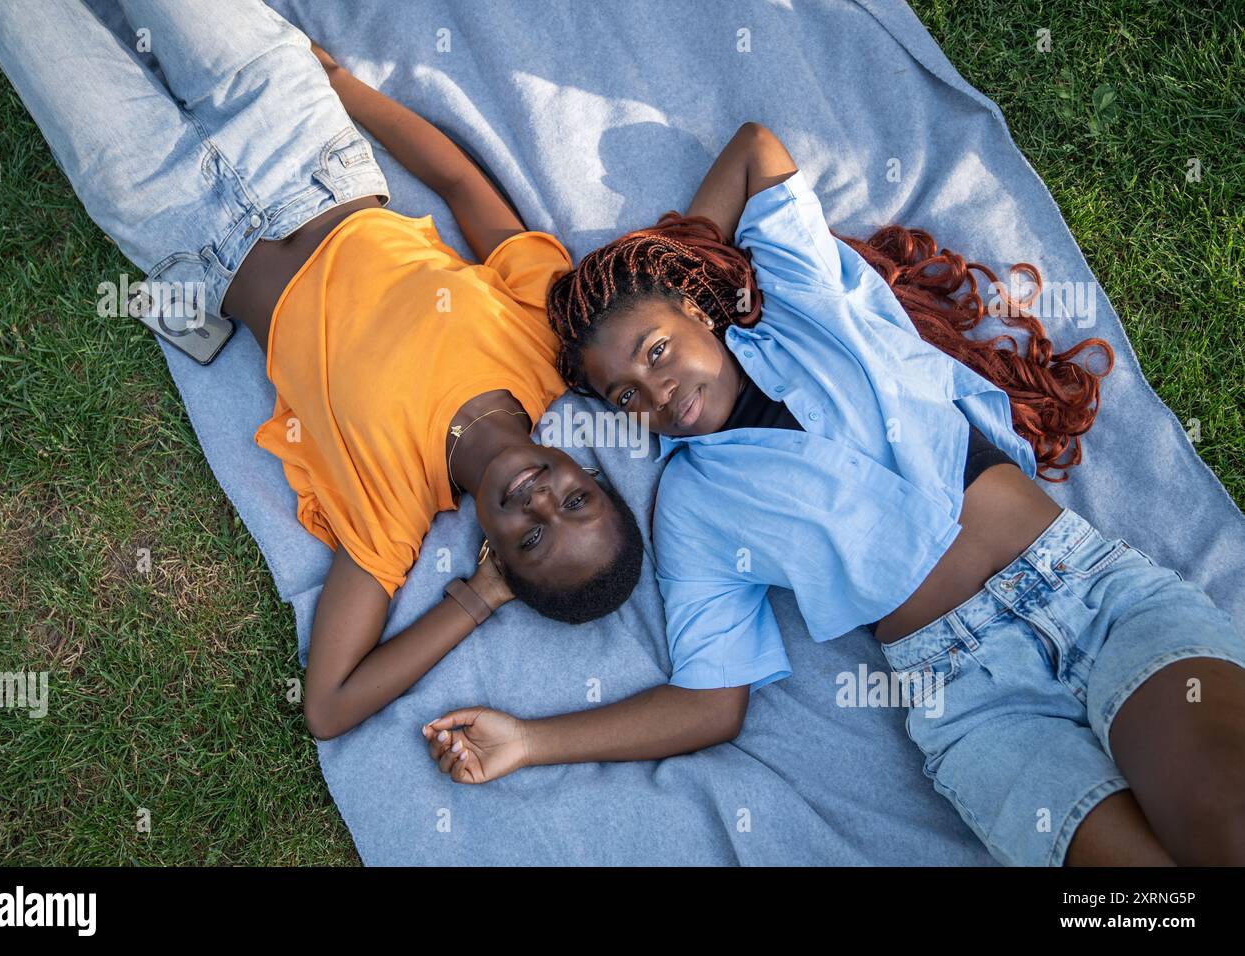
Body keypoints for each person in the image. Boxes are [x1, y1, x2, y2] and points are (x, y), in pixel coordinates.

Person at [422, 122, 1245, 867]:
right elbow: (710, 702)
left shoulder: (804, 303)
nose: (658, 389)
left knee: (1225, 821)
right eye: (628, 395)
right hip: (969, 701)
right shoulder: (693, 509)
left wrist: (678, 263)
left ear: (694, 309)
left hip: (1090, 593)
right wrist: (530, 741)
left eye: (658, 348)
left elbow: (754, 151)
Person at [0, 0, 643, 742]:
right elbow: (463, 186)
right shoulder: (543, 336)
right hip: (297, 138)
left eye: (530, 541)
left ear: (495, 550)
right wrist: (344, 86)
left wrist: (480, 598)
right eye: (575, 501)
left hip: (177, 217)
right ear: (588, 471)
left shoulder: (389, 515)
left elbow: (329, 707)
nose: (540, 502)